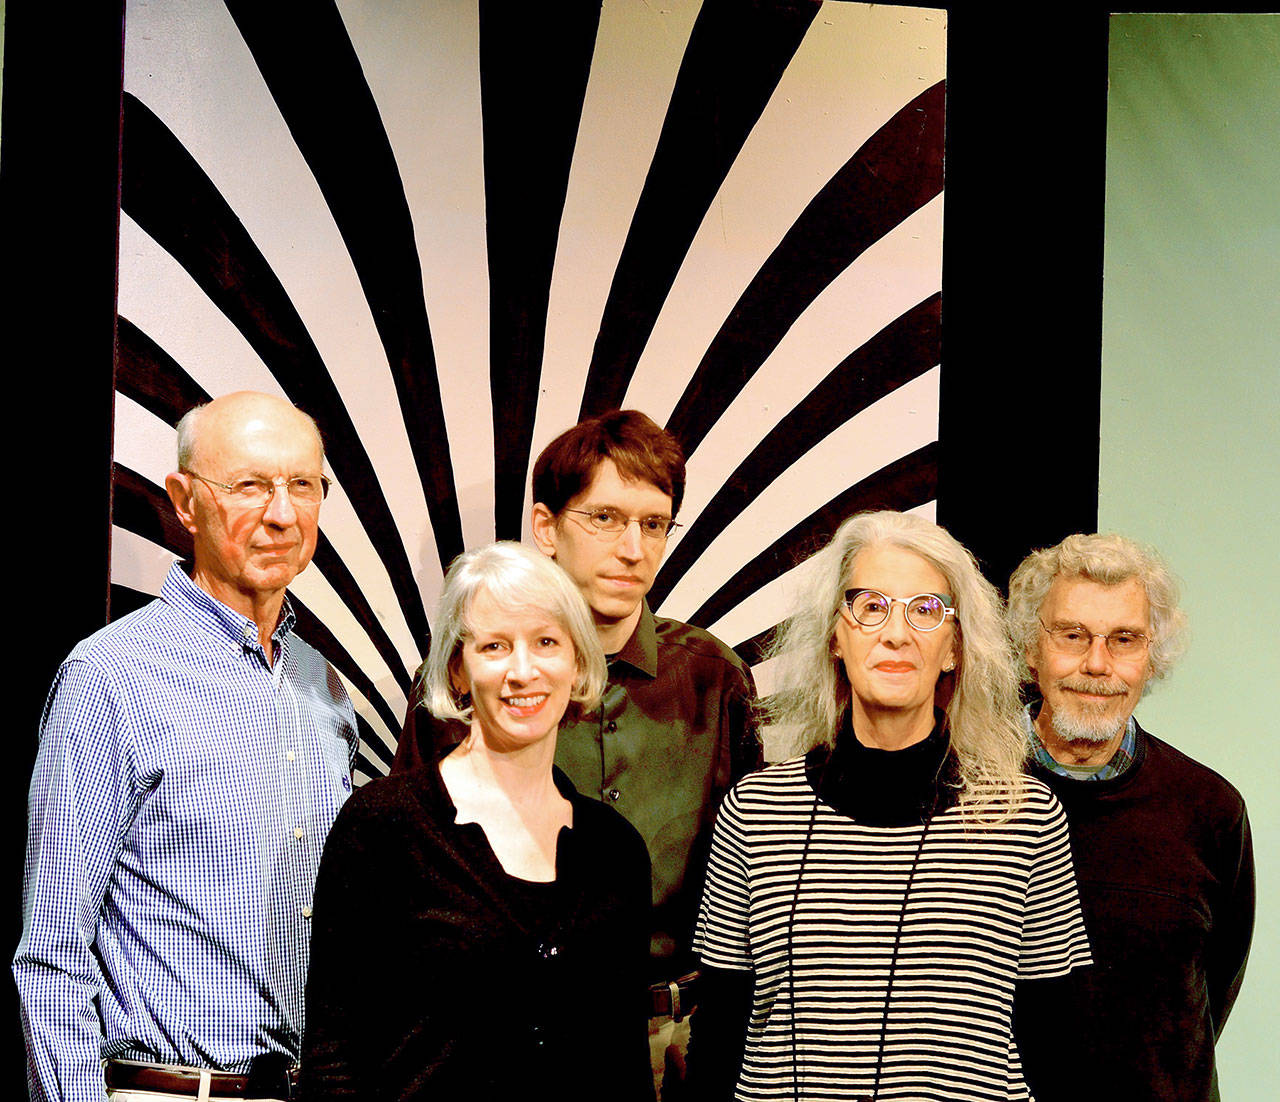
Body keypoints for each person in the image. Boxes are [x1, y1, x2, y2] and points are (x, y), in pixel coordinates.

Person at [392, 410, 759, 1089]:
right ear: (545, 528)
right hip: (509, 1035)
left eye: (654, 524)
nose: (633, 548)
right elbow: (406, 876)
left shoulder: (712, 677)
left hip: (683, 1037)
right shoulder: (474, 680)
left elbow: (758, 872)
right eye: (606, 518)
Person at [13, 392, 359, 1102]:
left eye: (303, 485)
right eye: (250, 486)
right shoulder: (111, 676)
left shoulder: (322, 685)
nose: (282, 513)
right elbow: (52, 952)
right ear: (184, 501)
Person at [686, 510, 1091, 1101]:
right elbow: (720, 1031)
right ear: (834, 636)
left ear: (954, 648)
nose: (895, 633)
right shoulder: (755, 812)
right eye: (871, 606)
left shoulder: (1024, 817)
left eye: (925, 611)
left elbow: (1052, 1040)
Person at [300, 542, 654, 1101]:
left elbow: (624, 1066)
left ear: (578, 662)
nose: (522, 670)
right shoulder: (384, 826)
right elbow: (334, 1056)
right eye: (494, 646)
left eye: (545, 642)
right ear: (458, 671)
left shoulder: (616, 852)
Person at [1008, 533, 1253, 1102]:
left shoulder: (1211, 809)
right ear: (1029, 648)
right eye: (1071, 635)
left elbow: (1213, 990)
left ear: (1151, 656)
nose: (1097, 665)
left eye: (1124, 639)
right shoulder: (961, 795)